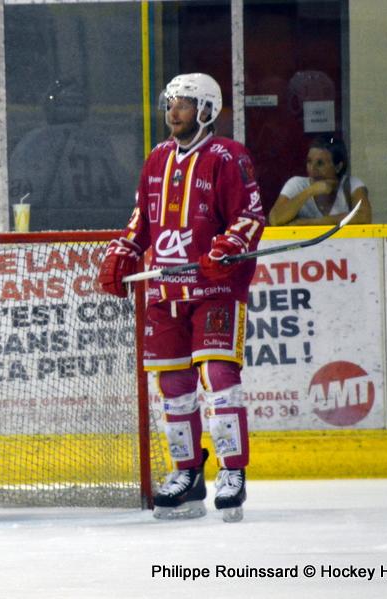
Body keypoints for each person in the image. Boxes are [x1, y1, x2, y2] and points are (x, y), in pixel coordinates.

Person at [98, 73, 266, 523]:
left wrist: (225, 251)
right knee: (173, 386)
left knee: (217, 374)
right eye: (170, 103)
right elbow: (142, 221)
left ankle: (232, 472)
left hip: (215, 289)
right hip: (166, 289)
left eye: (184, 104)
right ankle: (187, 473)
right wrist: (123, 251)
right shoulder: (156, 159)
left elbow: (249, 217)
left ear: (207, 110)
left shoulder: (229, 157)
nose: (173, 112)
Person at [8, 78, 132, 230]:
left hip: (56, 230)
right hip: (107, 230)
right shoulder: (100, 140)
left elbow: (21, 198)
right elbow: (126, 192)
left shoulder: (36, 140)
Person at [268, 135, 371, 226]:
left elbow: (364, 216)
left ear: (338, 167)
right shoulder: (296, 184)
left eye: (320, 163)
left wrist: (312, 223)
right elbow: (275, 219)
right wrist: (310, 191)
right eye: (309, 162)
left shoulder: (351, 184)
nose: (312, 169)